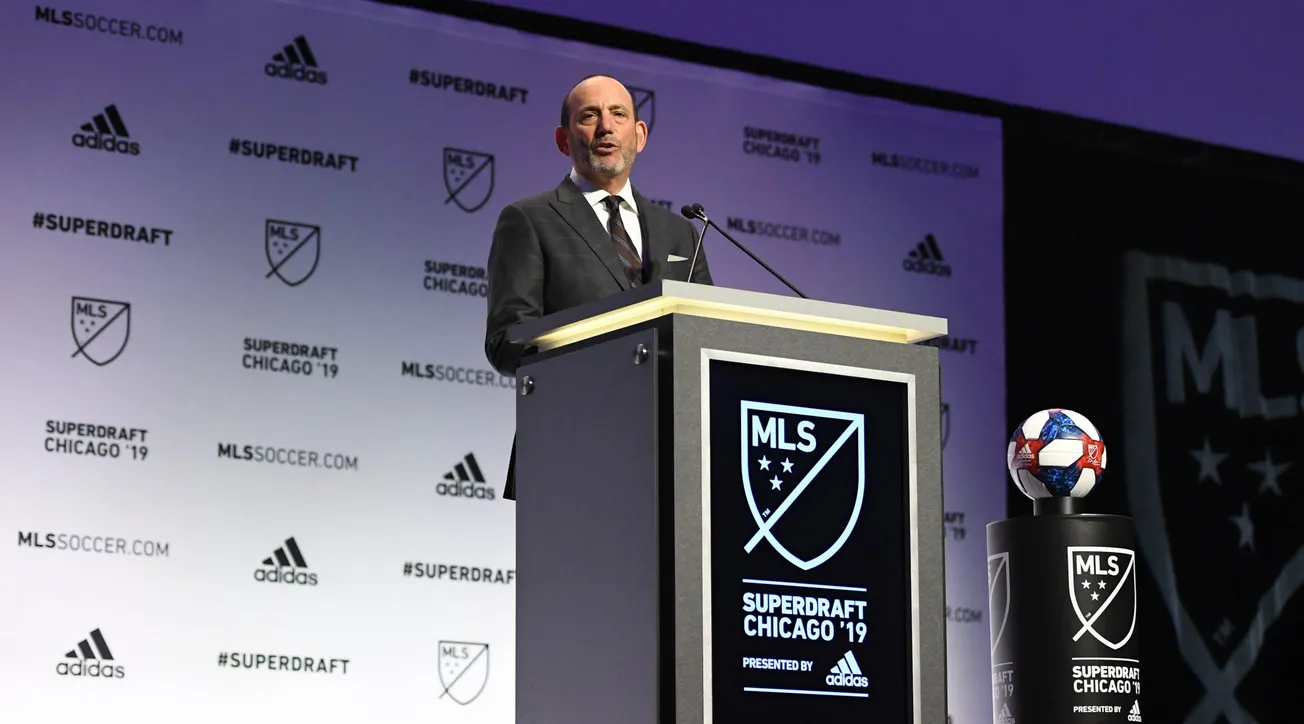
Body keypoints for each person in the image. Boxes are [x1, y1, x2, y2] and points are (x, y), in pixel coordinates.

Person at [484, 74, 714, 500]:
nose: (606, 127)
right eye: (589, 116)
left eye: (619, 115)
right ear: (563, 139)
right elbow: (505, 341)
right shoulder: (529, 219)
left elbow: (708, 337)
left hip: (675, 460)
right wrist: (612, 358)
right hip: (569, 449)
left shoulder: (681, 233)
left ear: (639, 135)